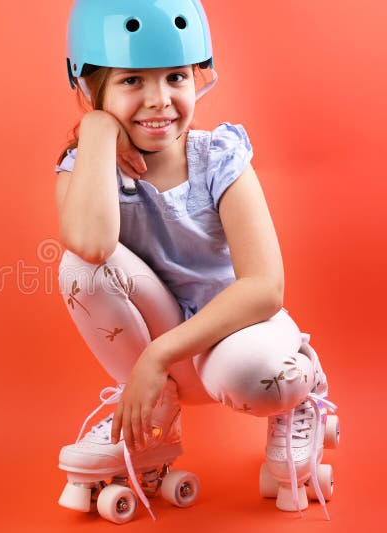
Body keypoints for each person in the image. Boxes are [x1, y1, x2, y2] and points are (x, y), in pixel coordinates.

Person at [53, 0, 339, 524]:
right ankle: (154, 414)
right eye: (132, 81)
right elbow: (91, 247)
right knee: (78, 269)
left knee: (257, 375)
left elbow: (264, 288)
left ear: (198, 76)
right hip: (164, 353)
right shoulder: (85, 168)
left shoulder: (219, 157)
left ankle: (300, 387)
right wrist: (96, 131)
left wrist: (156, 357)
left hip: (235, 335)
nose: (159, 100)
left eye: (176, 77)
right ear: (88, 90)